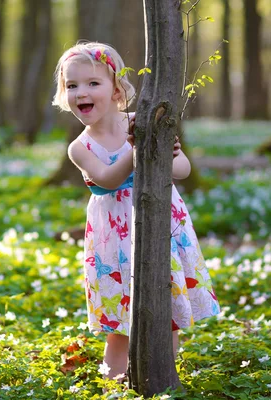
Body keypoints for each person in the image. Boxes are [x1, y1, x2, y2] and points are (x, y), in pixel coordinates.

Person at [52, 41, 221, 384]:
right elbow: (109, 178)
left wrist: (168, 149)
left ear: (116, 88)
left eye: (92, 83)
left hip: (161, 228)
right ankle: (115, 382)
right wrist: (138, 147)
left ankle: (160, 378)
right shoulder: (80, 147)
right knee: (120, 321)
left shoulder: (139, 121)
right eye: (72, 86)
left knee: (166, 308)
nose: (81, 92)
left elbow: (183, 170)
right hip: (114, 241)